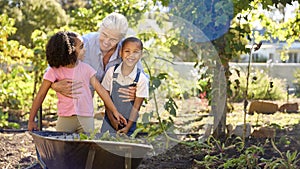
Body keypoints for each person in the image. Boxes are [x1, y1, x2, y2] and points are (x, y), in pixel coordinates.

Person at [27, 31, 126, 133]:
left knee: (87, 147)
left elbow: (101, 91)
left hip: (86, 118)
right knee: (61, 147)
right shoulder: (54, 71)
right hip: (65, 118)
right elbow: (40, 95)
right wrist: (31, 120)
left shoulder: (87, 69)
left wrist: (115, 111)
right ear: (70, 51)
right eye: (81, 47)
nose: (85, 50)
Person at [101, 37, 149, 135]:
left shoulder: (141, 79)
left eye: (135, 52)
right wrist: (111, 119)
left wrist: (127, 127)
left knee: (125, 148)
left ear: (141, 55)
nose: (131, 55)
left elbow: (136, 107)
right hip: (109, 120)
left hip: (129, 123)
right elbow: (105, 97)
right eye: (127, 51)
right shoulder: (111, 72)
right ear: (120, 53)